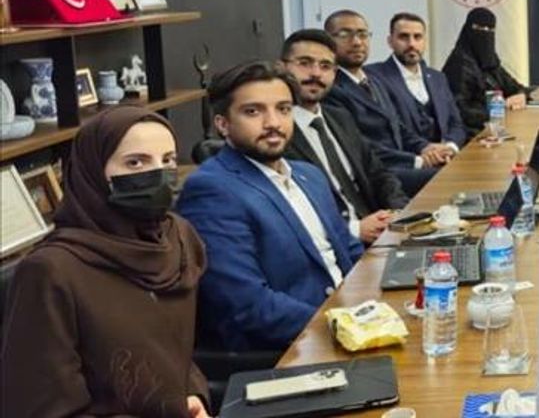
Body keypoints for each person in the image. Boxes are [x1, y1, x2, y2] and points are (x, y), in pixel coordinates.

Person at [1, 108, 210, 418]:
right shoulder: (52, 270)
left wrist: (192, 395)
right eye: (135, 162)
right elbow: (39, 407)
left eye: (167, 160)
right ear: (93, 172)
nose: (157, 175)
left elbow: (176, 353)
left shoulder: (178, 237)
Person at [177, 61, 363, 352]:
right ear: (222, 124)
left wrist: (378, 304)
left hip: (348, 321)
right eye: (253, 111)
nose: (273, 122)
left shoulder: (309, 175)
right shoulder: (212, 190)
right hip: (291, 347)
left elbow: (350, 251)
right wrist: (341, 324)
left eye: (283, 109)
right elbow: (247, 305)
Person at [280, 29, 409, 244]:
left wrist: (400, 212)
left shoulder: (340, 118)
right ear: (283, 68)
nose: (316, 73)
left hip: (378, 232)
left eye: (325, 66)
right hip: (335, 244)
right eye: (304, 63)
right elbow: (291, 210)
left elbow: (377, 173)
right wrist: (354, 229)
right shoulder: (277, 133)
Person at [322, 9, 440, 195]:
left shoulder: (374, 80)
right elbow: (359, 145)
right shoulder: (330, 89)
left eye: (362, 34)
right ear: (327, 41)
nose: (357, 42)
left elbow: (397, 126)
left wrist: (426, 147)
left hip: (400, 167)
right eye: (345, 34)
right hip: (374, 176)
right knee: (444, 177)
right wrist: (417, 160)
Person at [366, 12, 466, 156]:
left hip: (446, 158)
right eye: (403, 37)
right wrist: (427, 150)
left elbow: (456, 124)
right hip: (407, 161)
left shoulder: (438, 78)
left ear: (425, 41)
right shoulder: (374, 76)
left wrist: (450, 147)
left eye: (417, 37)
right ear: (390, 41)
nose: (411, 44)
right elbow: (387, 128)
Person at [443, 7, 531, 139]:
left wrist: (521, 95)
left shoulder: (489, 60)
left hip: (495, 129)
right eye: (479, 28)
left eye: (490, 30)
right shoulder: (458, 65)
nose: (485, 33)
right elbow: (459, 110)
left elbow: (515, 87)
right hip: (471, 136)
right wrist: (498, 110)